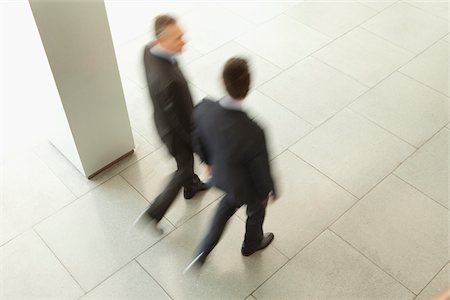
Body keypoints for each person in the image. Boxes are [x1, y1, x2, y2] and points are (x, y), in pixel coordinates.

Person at [185, 57, 277, 271]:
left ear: (223, 81)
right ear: (247, 89)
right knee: (256, 211)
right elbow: (260, 168)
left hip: (221, 176)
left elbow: (196, 137)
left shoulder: (204, 108)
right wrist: (268, 192)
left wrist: (208, 162)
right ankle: (251, 244)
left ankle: (202, 251)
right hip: (247, 187)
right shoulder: (254, 130)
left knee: (224, 211)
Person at [136, 14, 208, 227]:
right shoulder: (170, 82)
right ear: (162, 40)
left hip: (163, 120)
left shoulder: (148, 50)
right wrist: (198, 145)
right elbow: (182, 123)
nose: (183, 41)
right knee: (184, 168)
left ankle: (191, 187)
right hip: (176, 132)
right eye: (178, 38)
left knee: (185, 166)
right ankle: (154, 213)